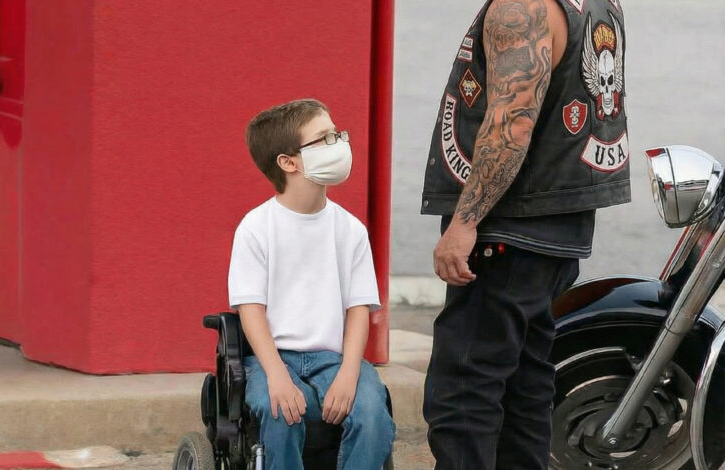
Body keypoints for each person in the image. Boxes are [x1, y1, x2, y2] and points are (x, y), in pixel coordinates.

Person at [420, 0, 629, 469]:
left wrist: (465, 222)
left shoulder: (523, 7)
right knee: (526, 388)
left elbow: (511, 127)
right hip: (560, 224)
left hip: (509, 227)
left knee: (464, 389)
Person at [228, 99, 395, 470]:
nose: (340, 144)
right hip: (274, 357)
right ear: (289, 162)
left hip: (334, 358)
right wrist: (276, 375)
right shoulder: (256, 228)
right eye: (325, 138)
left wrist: (349, 373)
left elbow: (358, 310)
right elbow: (250, 311)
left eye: (337, 134)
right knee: (281, 411)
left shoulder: (350, 230)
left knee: (371, 411)